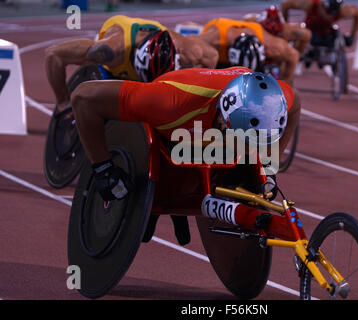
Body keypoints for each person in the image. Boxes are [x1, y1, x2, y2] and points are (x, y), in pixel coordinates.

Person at [71, 67, 301, 244]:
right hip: (171, 129)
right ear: (223, 117)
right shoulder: (167, 102)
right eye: (241, 137)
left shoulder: (276, 98)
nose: (244, 146)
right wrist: (102, 167)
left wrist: (270, 168)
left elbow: (295, 103)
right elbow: (82, 97)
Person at [45, 15, 219, 113]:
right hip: (117, 57)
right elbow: (54, 55)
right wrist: (62, 102)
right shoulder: (107, 51)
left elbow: (213, 57)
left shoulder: (191, 51)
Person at [195, 17, 300, 85]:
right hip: (219, 37)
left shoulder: (272, 46)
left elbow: (294, 55)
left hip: (251, 33)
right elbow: (184, 45)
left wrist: (283, 83)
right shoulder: (214, 41)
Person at [281, 0, 358, 49]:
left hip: (327, 35)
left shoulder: (342, 11)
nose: (329, 14)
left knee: (337, 33)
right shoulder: (310, 4)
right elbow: (285, 5)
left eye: (333, 11)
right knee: (300, 33)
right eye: (328, 10)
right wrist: (286, 24)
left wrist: (352, 36)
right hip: (309, 32)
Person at [243, 5, 312, 58]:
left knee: (294, 56)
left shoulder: (288, 31)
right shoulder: (250, 22)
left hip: (278, 48)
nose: (271, 35)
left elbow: (307, 35)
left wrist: (298, 51)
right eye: (267, 31)